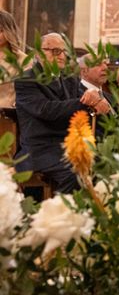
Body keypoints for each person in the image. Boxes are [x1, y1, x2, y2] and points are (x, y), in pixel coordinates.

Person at [14, 33, 108, 193]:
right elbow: (46, 110)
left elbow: (89, 100)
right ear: (38, 53)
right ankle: (59, 214)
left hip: (68, 145)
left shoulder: (70, 80)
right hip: (39, 148)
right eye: (55, 51)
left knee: (104, 162)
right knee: (75, 171)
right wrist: (85, 102)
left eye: (64, 52)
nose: (61, 56)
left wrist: (99, 100)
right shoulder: (26, 80)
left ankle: (90, 214)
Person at [78, 53, 116, 140]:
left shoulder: (111, 97)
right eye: (98, 64)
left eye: (105, 63)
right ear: (84, 71)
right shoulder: (77, 95)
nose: (105, 68)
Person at [0, 10, 29, 108]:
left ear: (9, 31)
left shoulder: (22, 60)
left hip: (8, 115)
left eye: (0, 30)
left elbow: (27, 92)